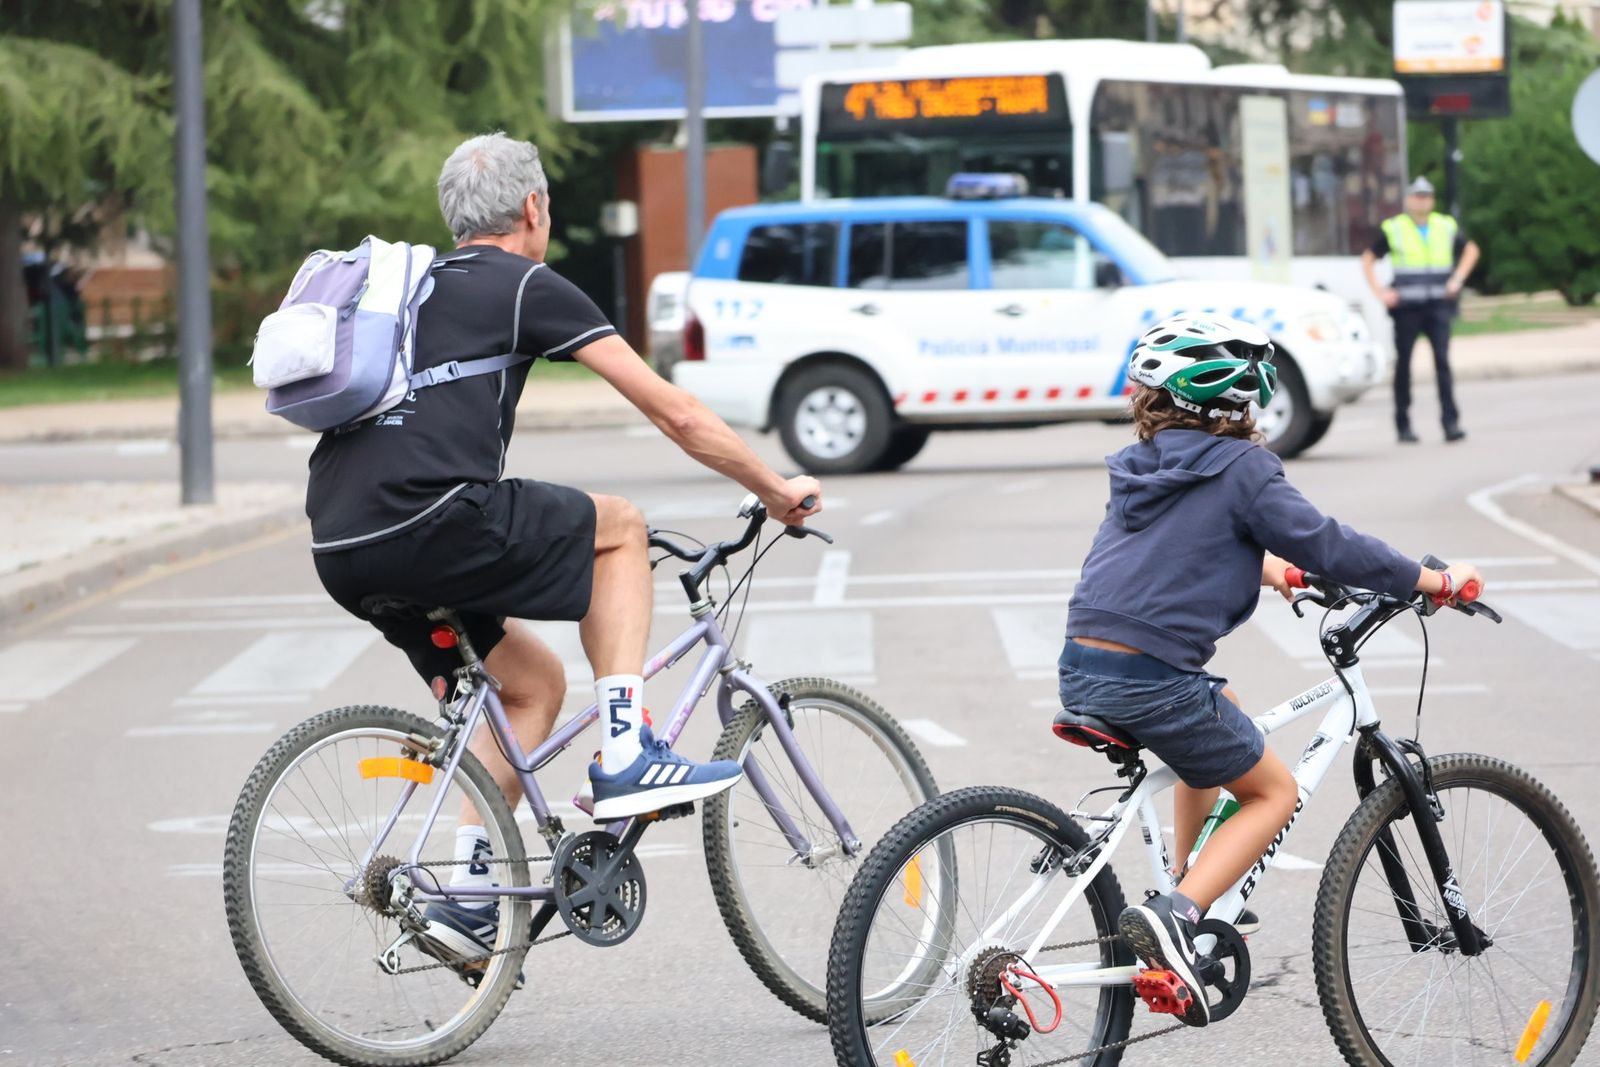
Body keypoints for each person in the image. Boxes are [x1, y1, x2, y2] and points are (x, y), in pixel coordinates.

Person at [306, 131, 821, 960]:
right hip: (431, 518)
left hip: (342, 540)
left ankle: (471, 895)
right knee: (617, 527)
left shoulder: (406, 290)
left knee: (529, 685)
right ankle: (626, 749)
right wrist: (773, 488)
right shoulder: (522, 285)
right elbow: (675, 411)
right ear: (535, 208)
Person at [1059, 314, 1483, 1026]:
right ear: (1237, 402)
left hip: (1085, 664)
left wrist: (1268, 566)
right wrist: (1429, 581)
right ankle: (1181, 911)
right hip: (1156, 679)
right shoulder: (1245, 469)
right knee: (1272, 791)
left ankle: (1189, 892)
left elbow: (1174, 547)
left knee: (1211, 725)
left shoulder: (1139, 465)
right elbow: (1332, 544)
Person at [1361, 175, 1480, 444]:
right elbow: (1368, 259)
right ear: (1408, 199)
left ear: (1432, 200)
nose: (1421, 201)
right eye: (1417, 196)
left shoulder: (1444, 225)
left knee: (1442, 363)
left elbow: (1471, 250)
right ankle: (1403, 424)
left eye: (1426, 196)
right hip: (1407, 308)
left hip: (1438, 305)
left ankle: (1451, 423)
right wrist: (1380, 292)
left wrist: (1458, 279)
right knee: (1404, 365)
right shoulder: (1395, 228)